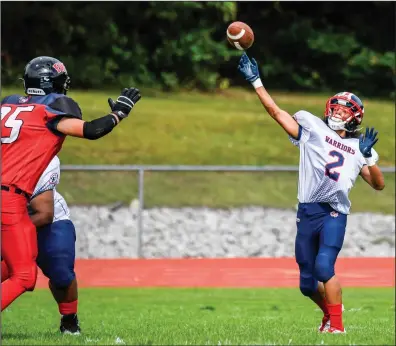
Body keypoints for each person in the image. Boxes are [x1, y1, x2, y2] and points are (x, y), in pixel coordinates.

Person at [237, 53, 385, 334]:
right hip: (307, 211)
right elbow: (276, 113)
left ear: (354, 118)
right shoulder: (312, 128)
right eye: (336, 108)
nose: (338, 113)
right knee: (307, 283)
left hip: (334, 213)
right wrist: (256, 82)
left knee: (324, 266)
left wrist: (368, 158)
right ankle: (329, 315)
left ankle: (338, 328)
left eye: (345, 111)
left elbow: (378, 185)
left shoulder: (359, 147)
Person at [1, 56, 141, 312]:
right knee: (23, 276)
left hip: (12, 198)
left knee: (22, 265)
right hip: (9, 198)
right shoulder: (50, 109)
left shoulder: (8, 105)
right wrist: (119, 113)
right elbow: (90, 130)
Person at [1, 155, 80, 334]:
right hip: (7, 222)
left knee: (61, 273)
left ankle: (69, 320)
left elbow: (44, 214)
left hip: (48, 223)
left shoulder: (39, 157)